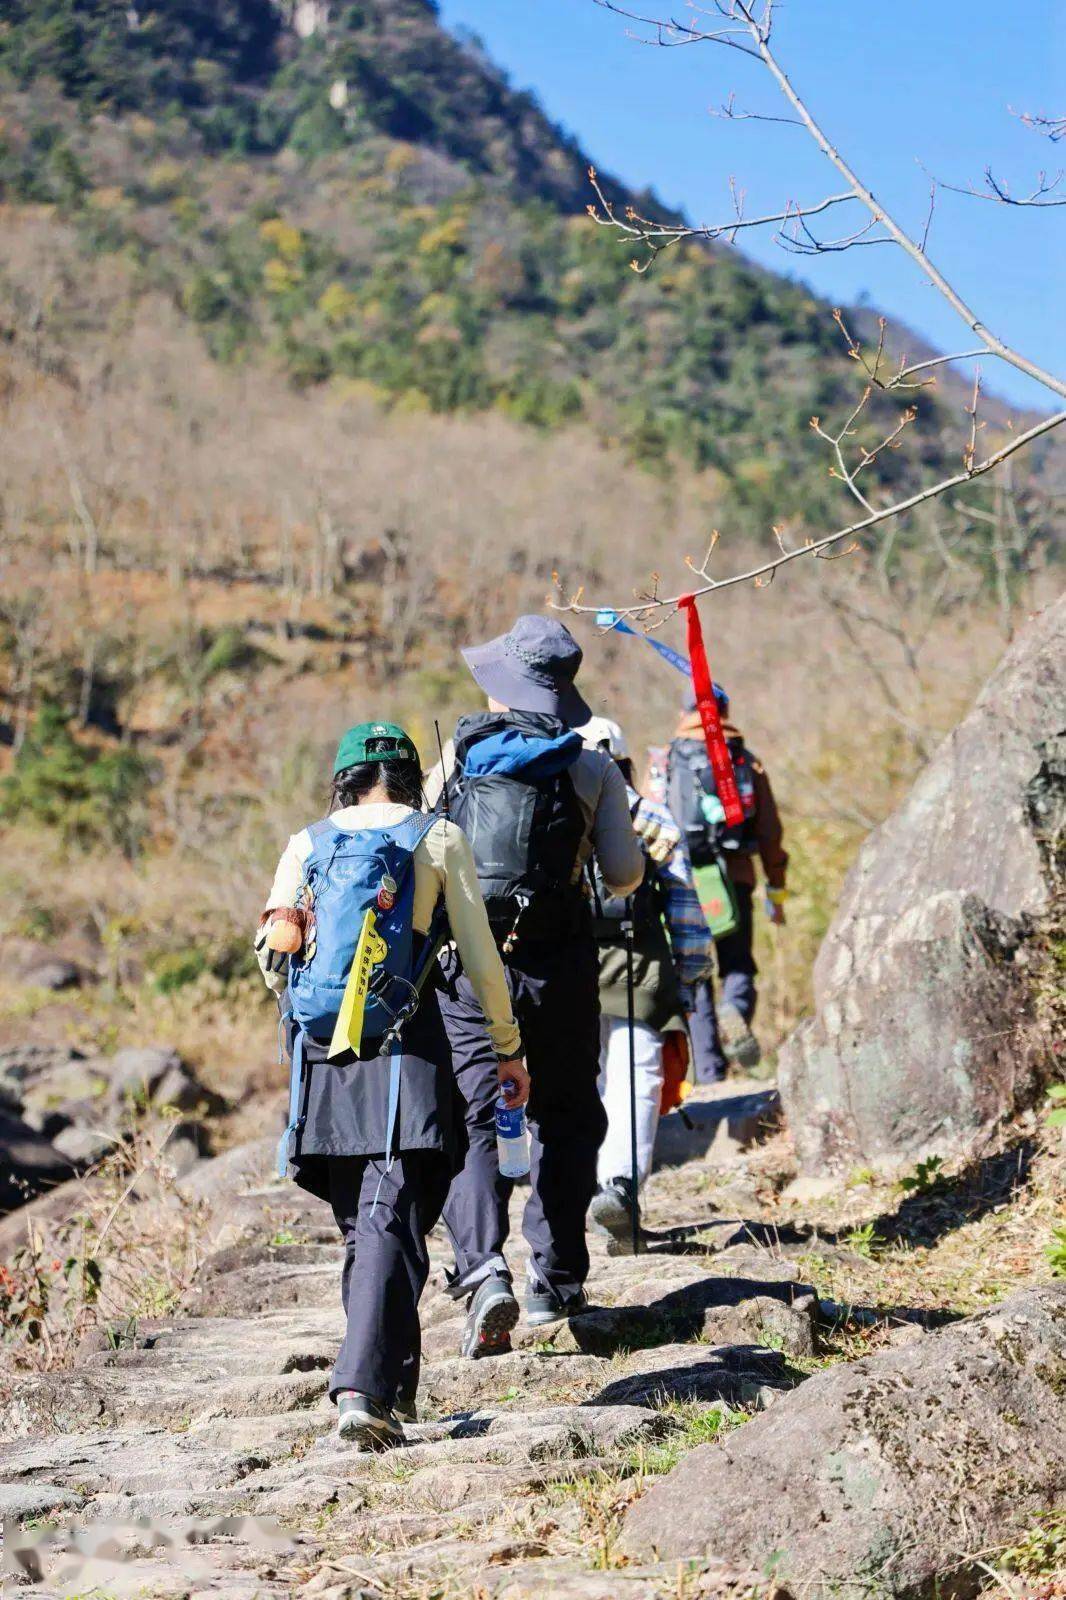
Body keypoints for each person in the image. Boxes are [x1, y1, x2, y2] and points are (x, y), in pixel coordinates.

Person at [256, 721, 526, 1449]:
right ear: (412, 777)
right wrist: (507, 1047)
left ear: (343, 778)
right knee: (389, 1210)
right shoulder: (437, 839)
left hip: (324, 1053)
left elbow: (272, 955)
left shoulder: (306, 842)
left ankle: (390, 1388)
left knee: (373, 1219)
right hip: (406, 1050)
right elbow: (479, 957)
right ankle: (361, 1389)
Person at [426, 615, 644, 1343]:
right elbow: (621, 876)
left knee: (477, 1114)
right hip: (560, 964)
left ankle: (483, 1269)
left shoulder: (456, 761)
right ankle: (556, 1278)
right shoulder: (591, 765)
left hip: (467, 969)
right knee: (568, 1115)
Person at [579, 717, 713, 1246]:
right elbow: (684, 909)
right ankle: (621, 1189)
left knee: (581, 1081)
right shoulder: (651, 816)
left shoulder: (561, 818)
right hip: (641, 967)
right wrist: (693, 973)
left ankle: (579, 1192)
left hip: (571, 968)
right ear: (627, 762)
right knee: (636, 1078)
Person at [664, 685, 788, 1079]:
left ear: (684, 712)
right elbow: (769, 832)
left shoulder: (669, 760)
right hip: (734, 878)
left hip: (684, 883)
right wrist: (776, 890)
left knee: (694, 973)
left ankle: (710, 1072)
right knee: (737, 965)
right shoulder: (745, 760)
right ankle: (733, 1008)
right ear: (725, 711)